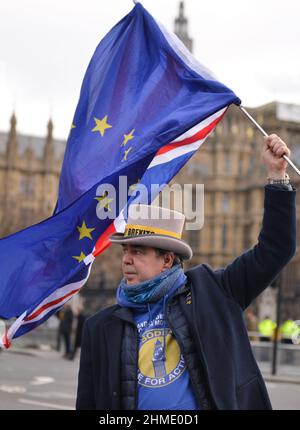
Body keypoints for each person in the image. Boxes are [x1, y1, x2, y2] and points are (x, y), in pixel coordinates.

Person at [76, 134, 296, 410]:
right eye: (125, 252)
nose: (127, 261)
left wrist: (277, 176)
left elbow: (276, 249)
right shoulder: (100, 328)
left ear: (167, 260)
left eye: (139, 252)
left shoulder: (214, 293)